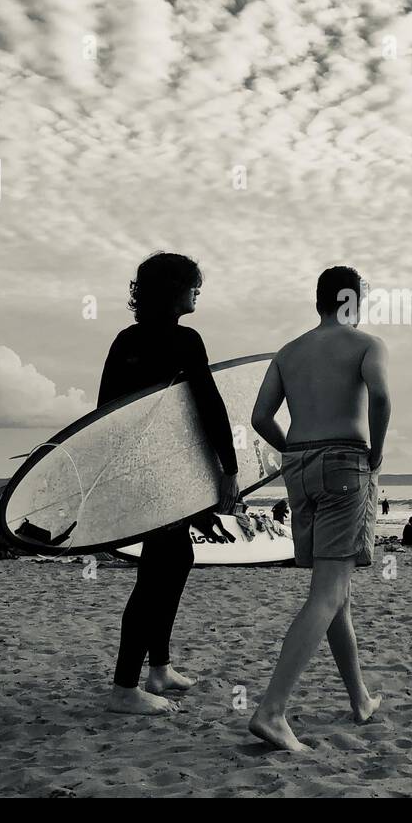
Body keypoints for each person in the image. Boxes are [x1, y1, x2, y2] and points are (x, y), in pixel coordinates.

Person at [248, 265, 388, 752]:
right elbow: (382, 397)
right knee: (328, 593)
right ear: (352, 301)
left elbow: (260, 416)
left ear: (318, 301)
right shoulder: (366, 344)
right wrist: (377, 452)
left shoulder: (288, 353)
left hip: (299, 466)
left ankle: (360, 699)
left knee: (336, 592)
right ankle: (270, 710)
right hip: (345, 464)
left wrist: (295, 450)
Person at [101, 253, 240, 715]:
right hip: (163, 478)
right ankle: (125, 688)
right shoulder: (185, 340)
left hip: (140, 473)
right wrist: (229, 468)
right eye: (193, 285)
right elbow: (208, 405)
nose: (198, 291)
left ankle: (158, 667)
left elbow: (105, 414)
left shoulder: (125, 341)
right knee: (157, 574)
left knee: (176, 559)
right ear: (173, 289)